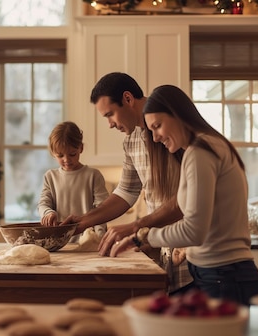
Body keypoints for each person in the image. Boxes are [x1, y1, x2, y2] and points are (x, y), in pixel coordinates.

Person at [112, 84, 258, 306]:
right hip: (220, 275)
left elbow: (194, 230)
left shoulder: (200, 151)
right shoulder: (206, 146)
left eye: (157, 126)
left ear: (177, 114)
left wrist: (143, 236)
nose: (154, 138)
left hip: (224, 277)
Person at [61, 72, 194, 294]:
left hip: (192, 250)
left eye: (110, 114)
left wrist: (137, 227)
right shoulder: (131, 141)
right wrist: (84, 220)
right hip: (163, 250)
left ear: (128, 99)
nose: (110, 124)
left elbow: (187, 197)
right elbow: (126, 191)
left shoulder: (176, 132)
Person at [38, 121, 109, 242]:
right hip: (59, 243)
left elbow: (101, 210)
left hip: (88, 242)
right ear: (52, 153)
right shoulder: (50, 177)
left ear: (81, 148)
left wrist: (100, 237)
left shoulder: (93, 175)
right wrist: (48, 213)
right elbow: (43, 204)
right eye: (60, 156)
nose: (66, 160)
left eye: (72, 154)